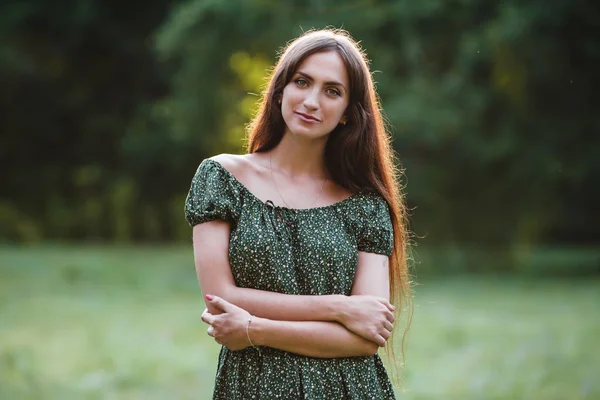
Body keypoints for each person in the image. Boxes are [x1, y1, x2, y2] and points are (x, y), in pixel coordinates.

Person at [184, 28, 411, 400]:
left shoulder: (366, 204)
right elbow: (221, 295)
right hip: (253, 386)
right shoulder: (222, 178)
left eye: (332, 91)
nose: (311, 101)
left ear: (347, 115)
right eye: (302, 82)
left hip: (348, 389)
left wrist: (254, 329)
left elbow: (365, 336)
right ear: (279, 91)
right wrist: (340, 307)